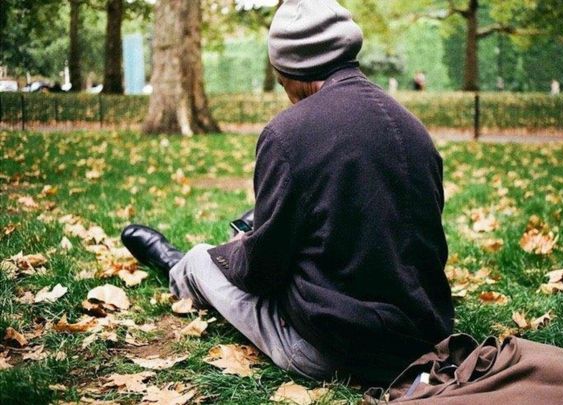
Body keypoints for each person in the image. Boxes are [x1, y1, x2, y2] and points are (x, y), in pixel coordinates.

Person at [121, 0, 453, 385]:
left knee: (202, 260)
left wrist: (235, 249)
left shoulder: (288, 134)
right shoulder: (412, 127)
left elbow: (261, 274)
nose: (285, 93)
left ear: (295, 72)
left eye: (282, 82)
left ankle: (179, 270)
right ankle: (243, 236)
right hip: (422, 338)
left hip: (333, 348)